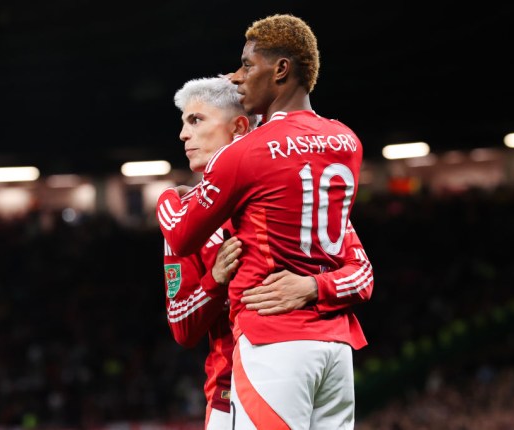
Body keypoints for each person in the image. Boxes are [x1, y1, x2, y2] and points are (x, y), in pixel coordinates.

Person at [157, 14, 371, 429]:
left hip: (269, 348)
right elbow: (182, 327)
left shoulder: (242, 162)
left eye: (196, 120)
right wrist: (215, 281)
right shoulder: (341, 144)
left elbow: (181, 233)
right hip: (330, 348)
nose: (183, 135)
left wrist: (165, 197)